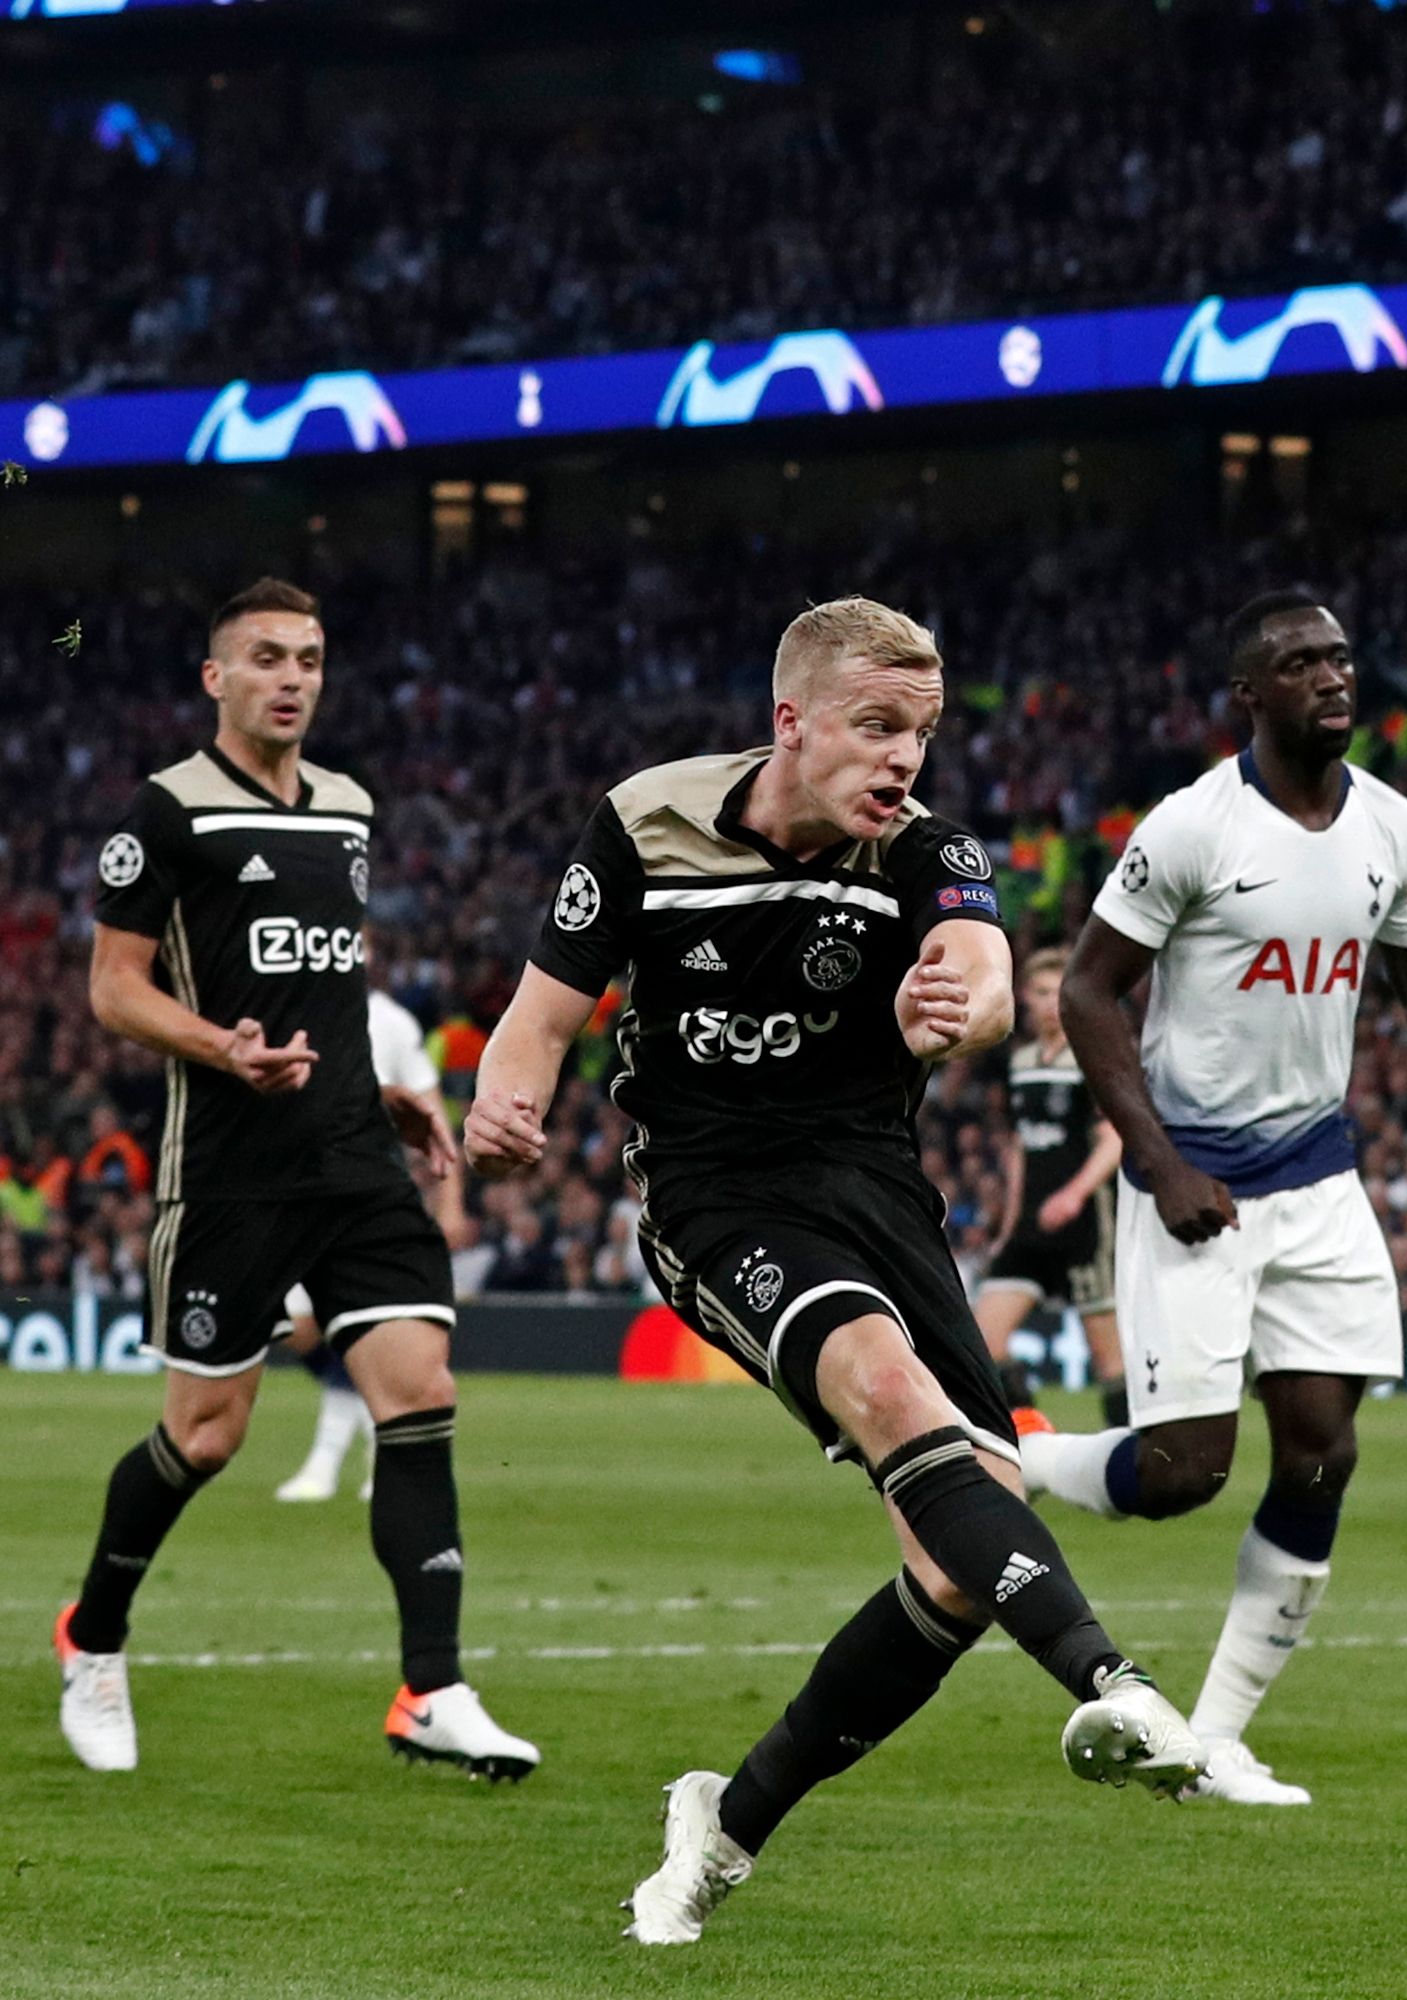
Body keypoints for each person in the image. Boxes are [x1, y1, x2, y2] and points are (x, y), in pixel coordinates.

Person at [463, 597, 1200, 1946]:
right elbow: (539, 1020)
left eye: (920, 732)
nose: (904, 759)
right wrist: (502, 1112)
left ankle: (725, 1824)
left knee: (960, 1554)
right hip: (715, 1194)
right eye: (876, 728)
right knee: (880, 1384)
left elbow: (976, 970)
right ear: (790, 721)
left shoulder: (926, 851)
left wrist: (958, 1008)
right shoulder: (645, 826)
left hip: (877, 1193)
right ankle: (1116, 1681)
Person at [1018, 588, 1407, 1807]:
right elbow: (1089, 994)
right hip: (1196, 1180)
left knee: (1323, 1450)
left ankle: (1215, 1736)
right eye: (1300, 663)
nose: (1331, 677)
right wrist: (1156, 1159)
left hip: (1319, 1175)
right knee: (1187, 1469)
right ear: (1248, 694)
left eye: (1343, 657)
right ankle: (1028, 1461)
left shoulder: (1397, 831)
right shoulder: (1194, 828)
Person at [55, 579, 536, 1781]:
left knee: (418, 1387)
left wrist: (379, 1086)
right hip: (227, 1172)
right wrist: (225, 1049)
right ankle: (94, 1635)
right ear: (216, 677)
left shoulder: (350, 809)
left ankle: (433, 1688)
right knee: (206, 1434)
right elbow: (113, 987)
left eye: (310, 658)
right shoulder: (165, 813)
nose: (293, 677)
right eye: (266, 656)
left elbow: (324, 982)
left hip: (354, 1158)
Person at [276, 978, 462, 1504]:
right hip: (294, 1197)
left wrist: (451, 1202)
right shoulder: (294, 1004)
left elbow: (431, 1112)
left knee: (362, 1333)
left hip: (366, 1202)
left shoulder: (393, 1021)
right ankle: (369, 1438)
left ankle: (327, 1460)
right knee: (299, 1328)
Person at [972, 948, 1129, 1425]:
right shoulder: (1020, 1061)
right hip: (1030, 1227)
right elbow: (1022, 1146)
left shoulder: (1090, 1057)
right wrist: (1009, 1220)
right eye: (1040, 992)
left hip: (1085, 1226)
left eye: (1057, 993)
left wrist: (1074, 1194)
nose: (1048, 1003)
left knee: (1110, 1360)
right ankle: (1028, 1438)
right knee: (982, 1341)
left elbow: (1114, 1138)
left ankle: (1134, 1465)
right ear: (1023, 996)